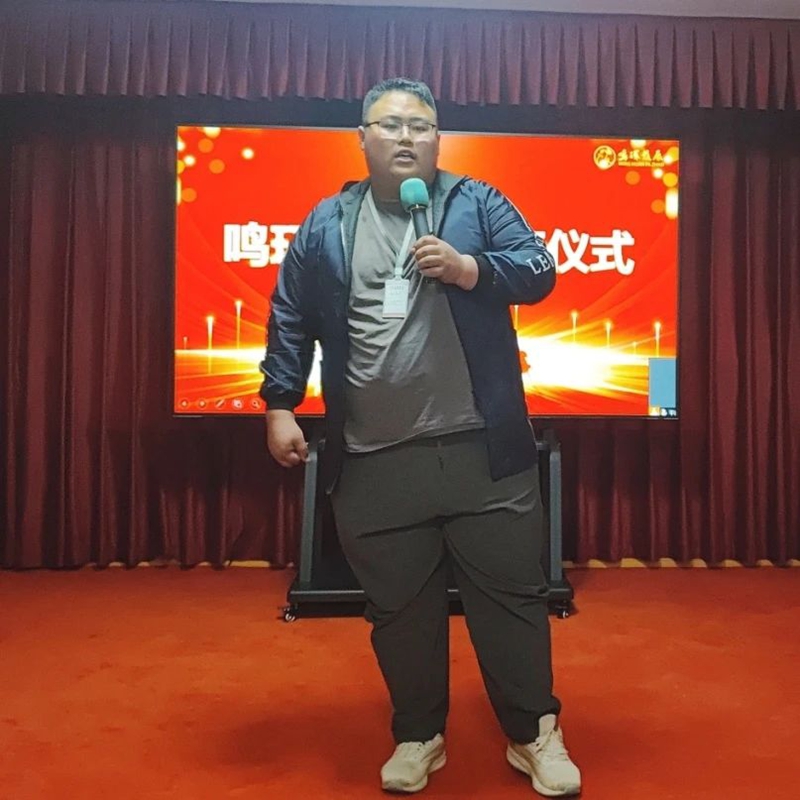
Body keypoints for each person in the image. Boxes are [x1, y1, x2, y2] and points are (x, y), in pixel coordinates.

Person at [260, 77, 581, 797]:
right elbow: (291, 316)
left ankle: (533, 732)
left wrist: (471, 269)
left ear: (438, 139)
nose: (406, 136)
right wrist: (280, 403)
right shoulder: (326, 223)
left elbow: (539, 270)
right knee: (399, 610)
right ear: (362, 137)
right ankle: (418, 733)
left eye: (421, 126)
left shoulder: (476, 202)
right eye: (390, 124)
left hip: (483, 450)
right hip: (374, 458)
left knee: (512, 600)